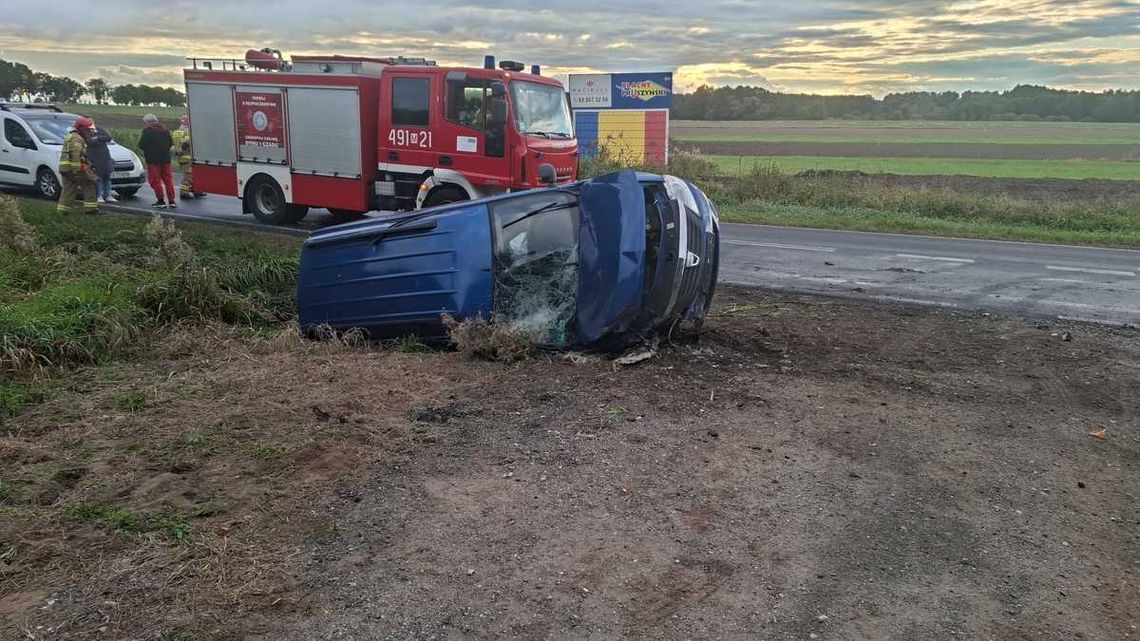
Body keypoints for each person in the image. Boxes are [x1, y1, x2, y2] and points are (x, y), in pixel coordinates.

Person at [57, 116, 99, 215]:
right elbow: (75, 157)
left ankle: (62, 212)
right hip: (73, 169)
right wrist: (76, 172)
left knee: (69, 190)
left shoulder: (72, 136)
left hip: (66, 168)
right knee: (90, 184)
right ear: (81, 128)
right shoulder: (77, 139)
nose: (89, 132)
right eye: (87, 129)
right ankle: (91, 210)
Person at [138, 113, 176, 208]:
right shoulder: (165, 130)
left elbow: (141, 144)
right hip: (166, 159)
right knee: (168, 180)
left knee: (155, 180)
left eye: (146, 123)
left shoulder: (148, 131)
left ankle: (161, 200)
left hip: (153, 160)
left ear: (149, 122)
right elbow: (171, 143)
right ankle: (172, 201)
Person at [170, 114, 203, 199]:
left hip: (182, 157)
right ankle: (184, 193)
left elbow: (174, 146)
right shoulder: (188, 131)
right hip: (188, 157)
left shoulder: (177, 131)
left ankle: (196, 190)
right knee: (188, 176)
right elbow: (187, 143)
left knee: (193, 175)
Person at [84, 121, 116, 204]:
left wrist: (97, 138)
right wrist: (101, 139)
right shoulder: (85, 131)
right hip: (94, 157)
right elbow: (90, 141)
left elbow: (108, 137)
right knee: (98, 178)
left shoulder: (98, 129)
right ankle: (99, 195)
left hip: (105, 157)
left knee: (107, 177)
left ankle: (108, 195)